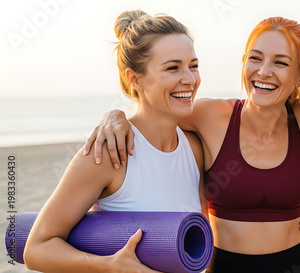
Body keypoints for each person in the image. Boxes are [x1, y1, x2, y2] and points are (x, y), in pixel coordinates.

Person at [84, 16, 300, 273]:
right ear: (244, 63)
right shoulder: (210, 115)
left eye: (281, 62)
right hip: (221, 265)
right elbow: (152, 111)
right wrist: (115, 116)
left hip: (293, 263)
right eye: (255, 58)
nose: (264, 71)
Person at [23, 10, 207, 273]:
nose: (189, 79)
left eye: (194, 65)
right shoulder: (108, 152)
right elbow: (36, 250)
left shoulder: (195, 149)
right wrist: (109, 265)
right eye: (172, 67)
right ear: (135, 79)